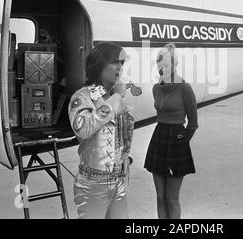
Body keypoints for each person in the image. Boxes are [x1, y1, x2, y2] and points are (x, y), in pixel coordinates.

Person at [68, 42, 135, 218]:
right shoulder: (83, 96)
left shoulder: (114, 95)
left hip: (117, 180)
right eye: (114, 62)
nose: (120, 67)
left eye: (122, 62)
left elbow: (123, 130)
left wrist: (125, 155)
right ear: (99, 64)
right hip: (93, 183)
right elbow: (82, 129)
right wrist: (117, 98)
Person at [144, 43, 198, 219]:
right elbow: (160, 112)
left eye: (166, 64)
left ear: (175, 65)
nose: (162, 68)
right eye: (159, 63)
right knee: (160, 197)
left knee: (171, 198)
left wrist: (181, 143)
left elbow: (193, 123)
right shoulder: (156, 88)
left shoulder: (185, 88)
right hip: (159, 138)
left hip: (176, 139)